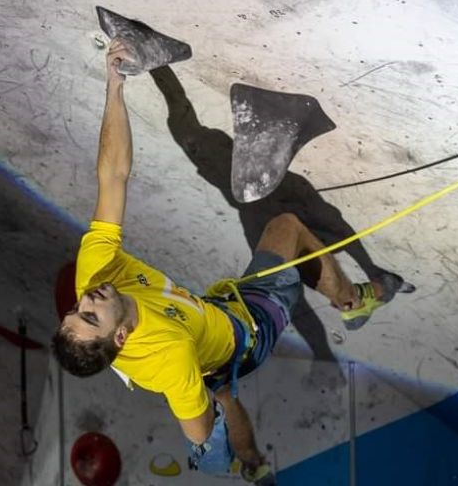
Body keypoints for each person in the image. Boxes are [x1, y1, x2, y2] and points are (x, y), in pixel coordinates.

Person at [52, 38, 410, 483]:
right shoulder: (169, 358)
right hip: (247, 330)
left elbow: (112, 174)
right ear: (121, 335)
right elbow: (200, 434)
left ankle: (254, 466)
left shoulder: (97, 274)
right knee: (287, 227)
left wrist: (115, 86)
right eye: (90, 314)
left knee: (222, 394)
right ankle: (356, 302)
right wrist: (206, 446)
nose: (85, 298)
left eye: (73, 309)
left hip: (208, 339)